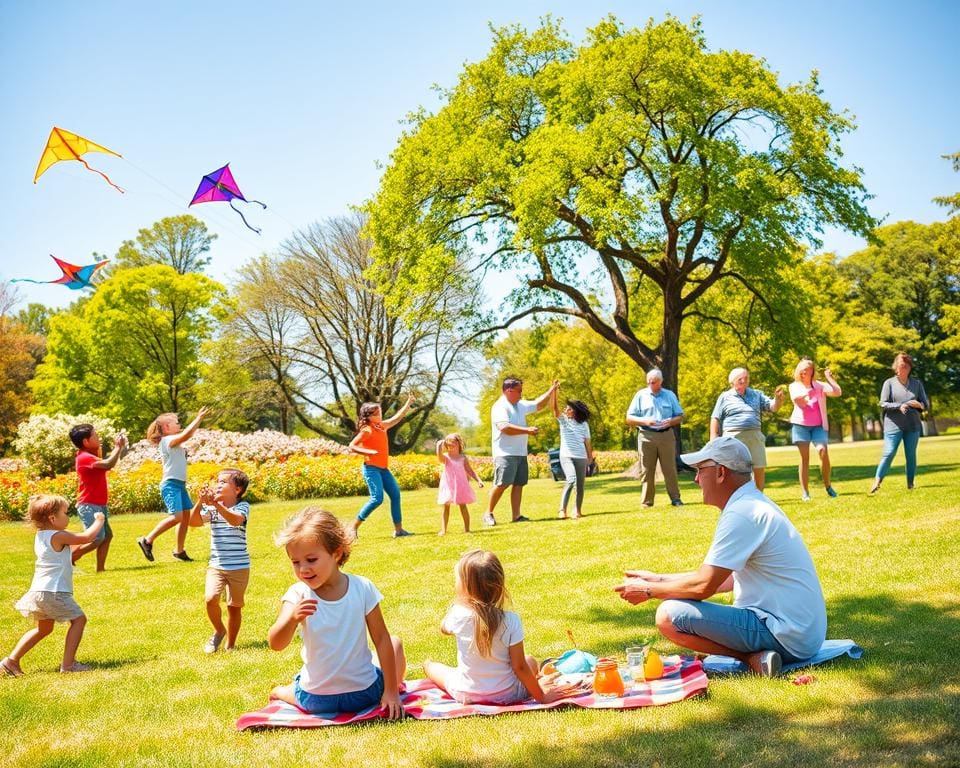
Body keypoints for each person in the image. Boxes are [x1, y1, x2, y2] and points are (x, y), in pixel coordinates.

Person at [614, 436, 827, 677]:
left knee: (668, 615)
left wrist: (648, 591)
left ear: (721, 473)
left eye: (699, 470)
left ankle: (751, 659)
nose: (695, 479)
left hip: (786, 634)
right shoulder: (751, 504)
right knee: (674, 608)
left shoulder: (742, 513)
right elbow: (724, 580)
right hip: (803, 635)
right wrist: (657, 580)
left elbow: (704, 586)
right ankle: (757, 657)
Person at [267, 507, 405, 719]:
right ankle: (393, 692)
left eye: (311, 560)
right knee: (394, 642)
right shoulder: (359, 587)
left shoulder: (302, 592)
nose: (303, 569)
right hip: (363, 695)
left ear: (337, 553)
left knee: (391, 642)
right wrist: (390, 692)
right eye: (296, 562)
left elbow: (276, 643)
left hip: (318, 700)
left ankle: (283, 693)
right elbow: (382, 639)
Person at [424, 549, 583, 704]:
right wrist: (541, 696)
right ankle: (537, 682)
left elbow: (443, 629)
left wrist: (459, 605)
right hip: (509, 693)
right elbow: (519, 666)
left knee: (432, 667)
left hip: (466, 693)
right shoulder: (511, 620)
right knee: (530, 661)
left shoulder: (457, 615)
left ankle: (427, 666)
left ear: (466, 587)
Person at [2, 494, 106, 676]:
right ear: (52, 518)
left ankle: (10, 662)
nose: (68, 517)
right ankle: (68, 665)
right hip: (53, 591)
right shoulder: (58, 535)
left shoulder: (41, 536)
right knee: (79, 620)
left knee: (43, 629)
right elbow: (88, 536)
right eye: (65, 513)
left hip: (39, 591)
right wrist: (99, 520)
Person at [188, 468, 251, 653]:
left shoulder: (242, 507)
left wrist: (216, 505)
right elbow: (193, 522)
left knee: (234, 607)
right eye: (218, 481)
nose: (218, 485)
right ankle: (218, 630)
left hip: (240, 566)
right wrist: (200, 502)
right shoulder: (213, 508)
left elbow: (235, 521)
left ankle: (230, 645)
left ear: (237, 490)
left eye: (223, 482)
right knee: (210, 599)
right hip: (216, 565)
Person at [484, 377, 560, 526]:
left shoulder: (520, 404)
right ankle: (488, 513)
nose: (521, 393)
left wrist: (551, 391)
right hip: (504, 453)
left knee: (519, 484)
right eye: (519, 391)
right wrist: (527, 430)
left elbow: (539, 404)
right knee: (502, 483)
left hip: (520, 452)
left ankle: (516, 516)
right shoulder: (500, 406)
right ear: (509, 390)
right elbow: (504, 428)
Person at [137, 407, 209, 562]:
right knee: (177, 517)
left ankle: (179, 551)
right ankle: (147, 540)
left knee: (185, 518)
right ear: (166, 428)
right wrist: (199, 418)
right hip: (171, 485)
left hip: (179, 485)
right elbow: (187, 434)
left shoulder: (171, 442)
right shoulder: (167, 440)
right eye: (176, 423)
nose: (179, 424)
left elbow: (177, 455)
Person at [346, 395, 415, 542]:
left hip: (384, 469)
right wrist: (368, 452)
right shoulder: (367, 430)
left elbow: (397, 418)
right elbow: (352, 445)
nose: (379, 415)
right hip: (371, 469)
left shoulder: (381, 426)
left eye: (380, 412)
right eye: (376, 413)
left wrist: (408, 403)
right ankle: (353, 527)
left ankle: (399, 530)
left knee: (395, 495)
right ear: (368, 416)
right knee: (377, 498)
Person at [709, 368, 784, 490]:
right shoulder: (725, 397)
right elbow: (715, 417)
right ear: (732, 382)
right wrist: (713, 437)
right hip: (733, 437)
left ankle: (759, 496)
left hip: (754, 436)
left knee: (759, 467)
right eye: (740, 379)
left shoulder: (756, 394)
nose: (744, 381)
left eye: (746, 378)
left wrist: (778, 400)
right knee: (734, 470)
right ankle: (734, 496)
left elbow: (772, 407)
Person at [68, 424, 128, 571]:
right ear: (85, 442)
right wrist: (118, 447)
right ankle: (68, 558)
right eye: (95, 436)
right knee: (97, 538)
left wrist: (115, 447)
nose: (98, 437)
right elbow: (108, 464)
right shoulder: (84, 457)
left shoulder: (91, 455)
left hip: (98, 504)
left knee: (107, 536)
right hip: (89, 505)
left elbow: (105, 462)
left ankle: (100, 569)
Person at [625, 368, 685, 507]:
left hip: (666, 435)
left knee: (670, 469)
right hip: (646, 436)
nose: (650, 385)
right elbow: (629, 418)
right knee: (647, 470)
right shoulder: (640, 395)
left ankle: (676, 498)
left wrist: (670, 421)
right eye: (649, 382)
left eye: (653, 382)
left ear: (660, 382)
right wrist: (645, 421)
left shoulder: (669, 395)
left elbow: (680, 416)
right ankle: (647, 502)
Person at [870, 352, 929, 494]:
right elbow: (883, 403)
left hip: (913, 426)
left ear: (910, 368)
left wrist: (919, 405)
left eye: (906, 366)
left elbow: (925, 404)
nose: (903, 368)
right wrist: (899, 406)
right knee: (889, 452)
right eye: (901, 366)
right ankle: (877, 481)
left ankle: (910, 484)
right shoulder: (889, 383)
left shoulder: (916, 384)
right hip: (893, 425)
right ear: (896, 367)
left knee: (911, 455)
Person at [788, 358, 841, 500]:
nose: (805, 372)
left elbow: (837, 392)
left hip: (818, 426)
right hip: (801, 426)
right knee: (804, 459)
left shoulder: (820, 385)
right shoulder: (794, 386)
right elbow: (799, 402)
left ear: (812, 371)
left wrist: (829, 378)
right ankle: (805, 493)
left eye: (809, 369)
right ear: (799, 371)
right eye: (803, 369)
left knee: (823, 451)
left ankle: (828, 486)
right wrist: (809, 393)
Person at [551, 390, 594, 519]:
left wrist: (590, 457)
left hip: (581, 457)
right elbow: (554, 408)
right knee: (571, 479)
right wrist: (554, 392)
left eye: (568, 408)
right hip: (566, 456)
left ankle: (577, 510)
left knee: (580, 485)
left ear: (574, 411)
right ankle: (562, 510)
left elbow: (587, 442)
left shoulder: (584, 424)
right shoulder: (564, 421)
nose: (565, 409)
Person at [435, 433, 483, 536]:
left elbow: (469, 470)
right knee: (446, 506)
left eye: (453, 442)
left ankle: (467, 529)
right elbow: (440, 458)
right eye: (448, 443)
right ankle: (443, 530)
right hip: (448, 484)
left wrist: (478, 480)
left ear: (458, 443)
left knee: (463, 505)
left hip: (460, 485)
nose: (450, 445)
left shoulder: (462, 458)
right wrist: (439, 447)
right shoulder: (446, 457)